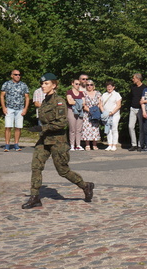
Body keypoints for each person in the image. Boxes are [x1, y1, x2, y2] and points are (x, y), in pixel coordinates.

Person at [22, 73, 94, 209]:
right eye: (42, 84)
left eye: (46, 83)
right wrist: (41, 129)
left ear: (54, 85)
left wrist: (42, 127)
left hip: (57, 141)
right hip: (44, 140)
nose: (43, 86)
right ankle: (35, 196)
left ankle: (85, 185)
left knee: (63, 171)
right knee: (36, 166)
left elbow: (62, 123)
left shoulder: (59, 101)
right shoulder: (45, 101)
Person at [0, 69, 30, 152]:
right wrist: (3, 107)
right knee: (8, 127)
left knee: (18, 127)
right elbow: (2, 96)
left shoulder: (23, 85)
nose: (18, 76)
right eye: (16, 74)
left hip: (20, 109)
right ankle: (7, 145)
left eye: (19, 75)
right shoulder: (7, 84)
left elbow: (27, 97)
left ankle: (16, 144)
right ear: (12, 75)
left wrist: (25, 108)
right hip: (9, 108)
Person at [100, 82, 122, 151]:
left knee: (114, 129)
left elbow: (119, 105)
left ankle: (114, 144)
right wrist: (104, 112)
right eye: (107, 86)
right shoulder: (104, 94)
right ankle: (109, 144)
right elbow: (100, 104)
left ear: (113, 87)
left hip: (114, 114)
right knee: (108, 130)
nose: (109, 88)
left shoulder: (116, 94)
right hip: (106, 115)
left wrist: (112, 112)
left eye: (110, 86)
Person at [81, 81, 102, 150]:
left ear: (93, 85)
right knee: (86, 128)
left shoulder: (98, 93)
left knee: (95, 128)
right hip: (87, 112)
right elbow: (83, 104)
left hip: (96, 112)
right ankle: (87, 144)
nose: (89, 86)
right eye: (88, 85)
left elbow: (100, 103)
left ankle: (95, 144)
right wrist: (90, 110)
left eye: (91, 85)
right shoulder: (83, 93)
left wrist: (96, 110)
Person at [66, 79, 86, 151]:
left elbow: (83, 103)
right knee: (72, 129)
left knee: (78, 129)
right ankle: (72, 145)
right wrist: (79, 102)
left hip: (80, 111)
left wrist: (75, 101)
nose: (78, 85)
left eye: (79, 84)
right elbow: (70, 101)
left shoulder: (81, 93)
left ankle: (78, 144)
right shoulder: (69, 92)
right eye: (76, 84)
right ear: (72, 84)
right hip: (71, 111)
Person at [127, 73, 145, 151]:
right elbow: (131, 97)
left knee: (141, 127)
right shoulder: (133, 87)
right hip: (133, 108)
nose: (132, 79)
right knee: (130, 126)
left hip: (141, 109)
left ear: (138, 79)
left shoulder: (144, 88)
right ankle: (133, 144)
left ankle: (140, 144)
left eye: (134, 78)